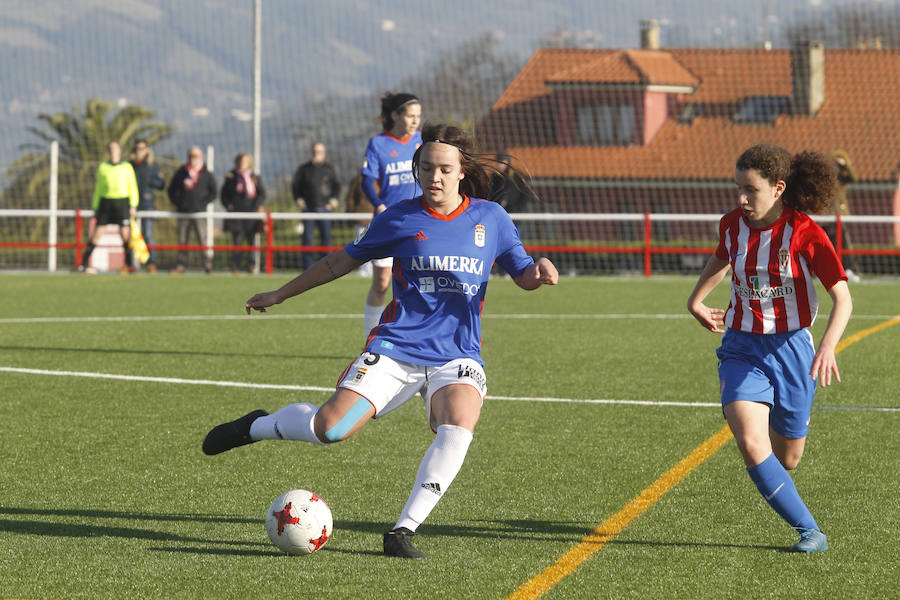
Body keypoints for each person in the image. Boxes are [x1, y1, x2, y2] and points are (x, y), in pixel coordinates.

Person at [203, 123, 559, 559]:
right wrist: (280, 293)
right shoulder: (399, 218)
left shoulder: (491, 218)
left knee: (459, 424)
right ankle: (257, 425)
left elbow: (522, 272)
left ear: (462, 171)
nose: (435, 178)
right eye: (426, 168)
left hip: (457, 354)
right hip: (396, 348)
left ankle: (402, 531)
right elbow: (338, 264)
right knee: (329, 429)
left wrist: (537, 271)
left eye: (445, 169)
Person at [686, 143, 852, 554]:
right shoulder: (731, 225)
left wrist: (828, 346)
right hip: (742, 347)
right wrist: (695, 299)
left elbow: (843, 298)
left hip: (794, 350)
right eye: (737, 188)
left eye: (750, 190)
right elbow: (722, 259)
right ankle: (810, 530)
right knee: (750, 442)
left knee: (788, 459)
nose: (741, 199)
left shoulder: (806, 233)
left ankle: (793, 501)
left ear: (778, 188)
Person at [360, 92, 423, 334]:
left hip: (419, 222)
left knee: (418, 283)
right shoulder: (378, 144)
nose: (415, 120)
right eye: (410, 115)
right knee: (382, 283)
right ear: (396, 115)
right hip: (389, 222)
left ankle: (414, 337)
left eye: (418, 116)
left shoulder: (422, 141)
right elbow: (367, 180)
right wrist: (378, 203)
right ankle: (369, 337)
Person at [78, 140, 139, 273]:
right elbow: (98, 189)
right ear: (108, 151)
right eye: (110, 149)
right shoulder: (103, 167)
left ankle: (128, 265)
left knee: (125, 234)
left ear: (120, 151)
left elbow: (132, 187)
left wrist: (133, 205)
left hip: (122, 202)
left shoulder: (127, 167)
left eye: (115, 149)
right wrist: (95, 206)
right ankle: (83, 263)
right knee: (97, 234)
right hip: (106, 203)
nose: (113, 151)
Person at [291, 141, 341, 270]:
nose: (316, 154)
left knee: (326, 239)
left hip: (325, 209)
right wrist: (299, 201)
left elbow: (337, 186)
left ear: (324, 153)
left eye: (319, 152)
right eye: (314, 151)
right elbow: (296, 187)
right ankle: (308, 269)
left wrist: (333, 201)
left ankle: (328, 269)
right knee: (307, 239)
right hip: (308, 210)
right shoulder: (304, 170)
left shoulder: (329, 169)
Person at [167, 146, 217, 273]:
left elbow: (214, 192)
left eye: (195, 156)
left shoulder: (206, 174)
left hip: (199, 213)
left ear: (200, 157)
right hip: (183, 213)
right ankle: (181, 265)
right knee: (183, 240)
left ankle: (207, 265)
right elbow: (171, 190)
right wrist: (179, 203)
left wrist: (202, 204)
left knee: (202, 239)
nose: (192, 159)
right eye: (190, 156)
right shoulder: (181, 172)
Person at [222, 153, 266, 274]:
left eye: (245, 161)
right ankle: (236, 267)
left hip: (251, 214)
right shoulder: (231, 176)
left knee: (252, 242)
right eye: (240, 161)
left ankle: (252, 266)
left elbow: (262, 194)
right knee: (237, 242)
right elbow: (223, 194)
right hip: (236, 215)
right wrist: (228, 205)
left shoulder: (254, 177)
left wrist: (256, 206)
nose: (242, 163)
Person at [825, 150, 862, 281]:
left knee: (843, 242)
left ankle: (848, 269)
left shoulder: (843, 176)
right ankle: (824, 270)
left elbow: (854, 178)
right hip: (827, 216)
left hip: (840, 214)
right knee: (827, 243)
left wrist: (845, 165)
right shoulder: (827, 176)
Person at [130, 139, 166, 273]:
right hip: (131, 205)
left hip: (147, 203)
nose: (139, 151)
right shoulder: (130, 165)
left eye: (142, 148)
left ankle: (151, 263)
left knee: (148, 233)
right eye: (137, 148)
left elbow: (161, 184)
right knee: (131, 235)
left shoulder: (153, 166)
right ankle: (131, 263)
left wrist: (151, 180)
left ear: (147, 150)